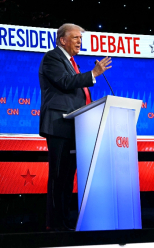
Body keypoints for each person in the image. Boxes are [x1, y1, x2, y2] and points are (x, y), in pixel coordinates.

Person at [39, 23, 112, 231]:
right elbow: (64, 82)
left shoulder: (71, 62)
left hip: (74, 126)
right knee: (58, 176)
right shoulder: (53, 57)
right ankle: (54, 226)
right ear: (62, 40)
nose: (80, 41)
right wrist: (93, 74)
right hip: (59, 125)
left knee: (68, 178)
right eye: (75, 38)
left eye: (80, 38)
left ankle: (63, 223)